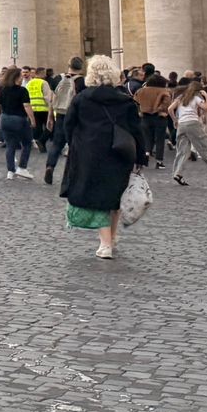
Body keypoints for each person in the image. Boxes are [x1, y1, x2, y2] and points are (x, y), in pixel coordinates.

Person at [58, 54, 149, 259]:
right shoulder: (125, 101)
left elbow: (68, 125)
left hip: (89, 153)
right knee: (114, 195)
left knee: (98, 197)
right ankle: (113, 237)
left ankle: (105, 244)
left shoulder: (82, 98)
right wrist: (141, 157)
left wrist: (73, 145)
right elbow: (136, 130)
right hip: (119, 153)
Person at [167, 78, 207, 186]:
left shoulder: (181, 97)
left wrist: (175, 120)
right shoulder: (196, 98)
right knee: (204, 148)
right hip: (193, 124)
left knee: (182, 151)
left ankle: (177, 173)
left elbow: (170, 109)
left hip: (182, 124)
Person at [42, 55, 85, 184]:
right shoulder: (82, 82)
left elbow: (52, 99)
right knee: (75, 145)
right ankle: (74, 174)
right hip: (76, 116)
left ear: (69, 65)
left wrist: (50, 116)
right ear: (81, 67)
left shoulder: (58, 79)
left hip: (60, 113)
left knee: (56, 144)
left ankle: (50, 167)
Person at [0, 66, 34, 179]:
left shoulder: (3, 90)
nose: (22, 78)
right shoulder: (22, 90)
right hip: (18, 119)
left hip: (5, 119)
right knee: (27, 143)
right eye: (20, 76)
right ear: (16, 78)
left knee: (10, 145)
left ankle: (10, 171)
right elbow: (27, 106)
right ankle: (22, 168)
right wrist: (32, 120)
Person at [135, 71, 175, 166]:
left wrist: (140, 111)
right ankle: (159, 161)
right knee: (159, 139)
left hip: (144, 117)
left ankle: (146, 154)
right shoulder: (164, 91)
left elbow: (135, 102)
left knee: (147, 137)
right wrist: (159, 110)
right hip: (159, 117)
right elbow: (167, 103)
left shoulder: (140, 91)